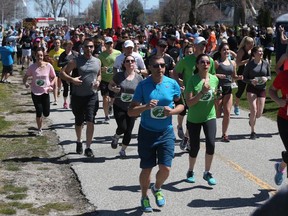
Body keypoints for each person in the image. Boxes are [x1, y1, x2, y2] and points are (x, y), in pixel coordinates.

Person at [128, 56, 184, 212]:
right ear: (150, 67)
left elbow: (181, 105)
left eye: (162, 65)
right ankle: (144, 197)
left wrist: (172, 111)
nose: (160, 68)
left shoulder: (172, 84)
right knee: (147, 169)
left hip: (166, 132)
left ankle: (157, 188)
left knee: (166, 168)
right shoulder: (143, 85)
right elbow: (131, 111)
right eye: (156, 65)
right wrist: (146, 106)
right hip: (147, 132)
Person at [60, 38, 101, 158]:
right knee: (79, 121)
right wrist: (72, 79)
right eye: (87, 46)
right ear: (82, 48)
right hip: (78, 96)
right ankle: (79, 140)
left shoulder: (97, 61)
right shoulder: (76, 61)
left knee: (90, 120)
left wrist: (98, 82)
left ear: (94, 48)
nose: (89, 49)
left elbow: (99, 75)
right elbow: (62, 73)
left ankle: (88, 147)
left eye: (91, 47)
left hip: (92, 96)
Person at [173, 36, 216, 150]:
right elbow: (175, 72)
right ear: (195, 46)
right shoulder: (186, 60)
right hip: (190, 94)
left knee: (197, 117)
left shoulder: (209, 60)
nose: (203, 46)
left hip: (205, 94)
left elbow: (212, 76)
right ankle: (189, 140)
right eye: (201, 44)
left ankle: (187, 137)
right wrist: (180, 83)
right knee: (192, 116)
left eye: (204, 44)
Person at [185, 53, 219, 186]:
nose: (205, 65)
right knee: (195, 147)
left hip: (209, 116)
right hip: (194, 118)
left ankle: (207, 172)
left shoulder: (214, 79)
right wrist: (202, 92)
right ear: (197, 65)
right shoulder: (192, 80)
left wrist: (217, 99)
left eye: (208, 63)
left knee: (211, 144)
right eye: (202, 62)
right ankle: (190, 171)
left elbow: (214, 96)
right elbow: (189, 103)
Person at [108, 55, 143, 158]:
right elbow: (110, 85)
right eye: (127, 61)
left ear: (135, 64)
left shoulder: (139, 78)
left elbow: (141, 92)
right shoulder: (119, 76)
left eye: (132, 61)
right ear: (124, 63)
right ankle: (116, 136)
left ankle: (123, 150)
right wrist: (113, 89)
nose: (130, 63)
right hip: (119, 105)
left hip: (132, 107)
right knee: (123, 127)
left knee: (129, 130)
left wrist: (141, 105)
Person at [22, 47, 56, 136]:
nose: (39, 57)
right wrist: (25, 83)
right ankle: (39, 129)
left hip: (45, 92)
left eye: (41, 55)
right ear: (35, 56)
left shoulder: (48, 66)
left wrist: (51, 85)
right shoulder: (32, 67)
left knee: (46, 113)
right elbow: (25, 77)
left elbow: (54, 77)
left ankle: (40, 124)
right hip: (35, 92)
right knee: (39, 111)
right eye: (38, 56)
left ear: (43, 55)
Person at [214, 43, 243, 142]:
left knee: (227, 111)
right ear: (220, 51)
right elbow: (210, 74)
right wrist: (218, 75)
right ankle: (218, 109)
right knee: (217, 114)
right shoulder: (216, 63)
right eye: (224, 50)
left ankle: (224, 134)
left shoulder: (233, 63)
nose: (226, 51)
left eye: (228, 49)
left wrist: (238, 77)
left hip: (228, 89)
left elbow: (233, 76)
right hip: (218, 89)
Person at [243, 46, 271, 140]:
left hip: (262, 89)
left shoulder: (265, 64)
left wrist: (266, 78)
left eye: (262, 51)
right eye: (259, 51)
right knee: (254, 109)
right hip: (251, 88)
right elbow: (244, 78)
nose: (261, 53)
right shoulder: (250, 65)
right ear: (254, 54)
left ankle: (251, 116)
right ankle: (253, 132)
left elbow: (269, 76)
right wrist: (251, 81)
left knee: (259, 113)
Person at [269, 69, 288, 186]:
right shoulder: (284, 75)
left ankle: (280, 167)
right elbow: (271, 90)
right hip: (284, 119)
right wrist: (278, 100)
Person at [98, 37, 121, 122]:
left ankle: (110, 105)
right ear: (105, 44)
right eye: (107, 43)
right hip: (105, 79)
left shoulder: (118, 53)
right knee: (105, 97)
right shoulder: (101, 55)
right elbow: (98, 67)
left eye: (110, 43)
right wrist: (102, 69)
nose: (109, 45)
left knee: (113, 98)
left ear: (113, 43)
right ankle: (106, 115)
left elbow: (121, 64)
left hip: (115, 79)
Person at [234, 36, 254, 115]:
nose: (251, 45)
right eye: (250, 44)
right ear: (245, 44)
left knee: (250, 91)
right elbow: (237, 63)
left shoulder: (252, 51)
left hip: (250, 73)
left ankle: (251, 109)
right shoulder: (241, 51)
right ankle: (236, 105)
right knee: (240, 90)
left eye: (252, 43)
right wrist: (247, 61)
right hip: (242, 72)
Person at [58, 40, 78, 109]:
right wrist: (67, 62)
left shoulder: (75, 54)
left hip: (73, 74)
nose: (70, 48)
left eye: (71, 46)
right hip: (64, 74)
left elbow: (79, 60)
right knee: (66, 88)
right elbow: (59, 64)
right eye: (68, 46)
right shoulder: (63, 55)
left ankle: (71, 102)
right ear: (65, 47)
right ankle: (65, 102)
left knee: (72, 89)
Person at [48, 38, 65, 105]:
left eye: (58, 43)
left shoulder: (62, 51)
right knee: (55, 85)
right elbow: (49, 60)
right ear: (54, 44)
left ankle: (59, 89)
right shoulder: (51, 52)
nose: (57, 44)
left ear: (60, 44)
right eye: (56, 43)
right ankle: (55, 100)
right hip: (54, 69)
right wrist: (50, 60)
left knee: (59, 83)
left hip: (61, 69)